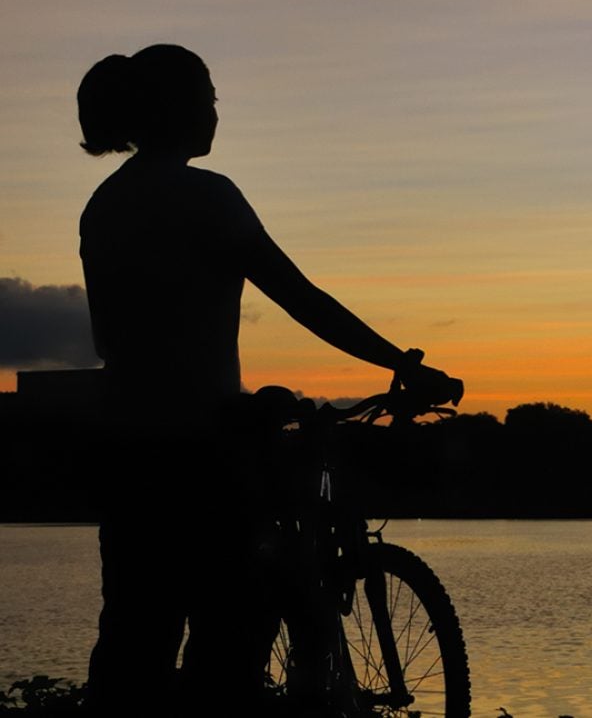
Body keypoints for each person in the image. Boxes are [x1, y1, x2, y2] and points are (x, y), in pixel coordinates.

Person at [76, 43, 455, 715]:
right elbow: (300, 297)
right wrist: (400, 363)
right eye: (210, 98)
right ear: (182, 108)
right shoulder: (207, 197)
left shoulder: (104, 205)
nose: (218, 112)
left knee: (135, 636)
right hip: (201, 448)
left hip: (122, 445)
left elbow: (124, 336)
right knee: (232, 632)